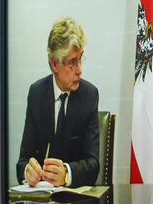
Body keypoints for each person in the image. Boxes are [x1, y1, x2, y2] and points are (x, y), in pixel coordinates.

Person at [16, 17, 99, 188]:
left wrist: (67, 173)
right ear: (55, 64)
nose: (80, 70)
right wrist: (28, 171)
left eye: (81, 59)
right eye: (72, 63)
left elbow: (93, 164)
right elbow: (23, 161)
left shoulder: (89, 95)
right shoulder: (36, 94)